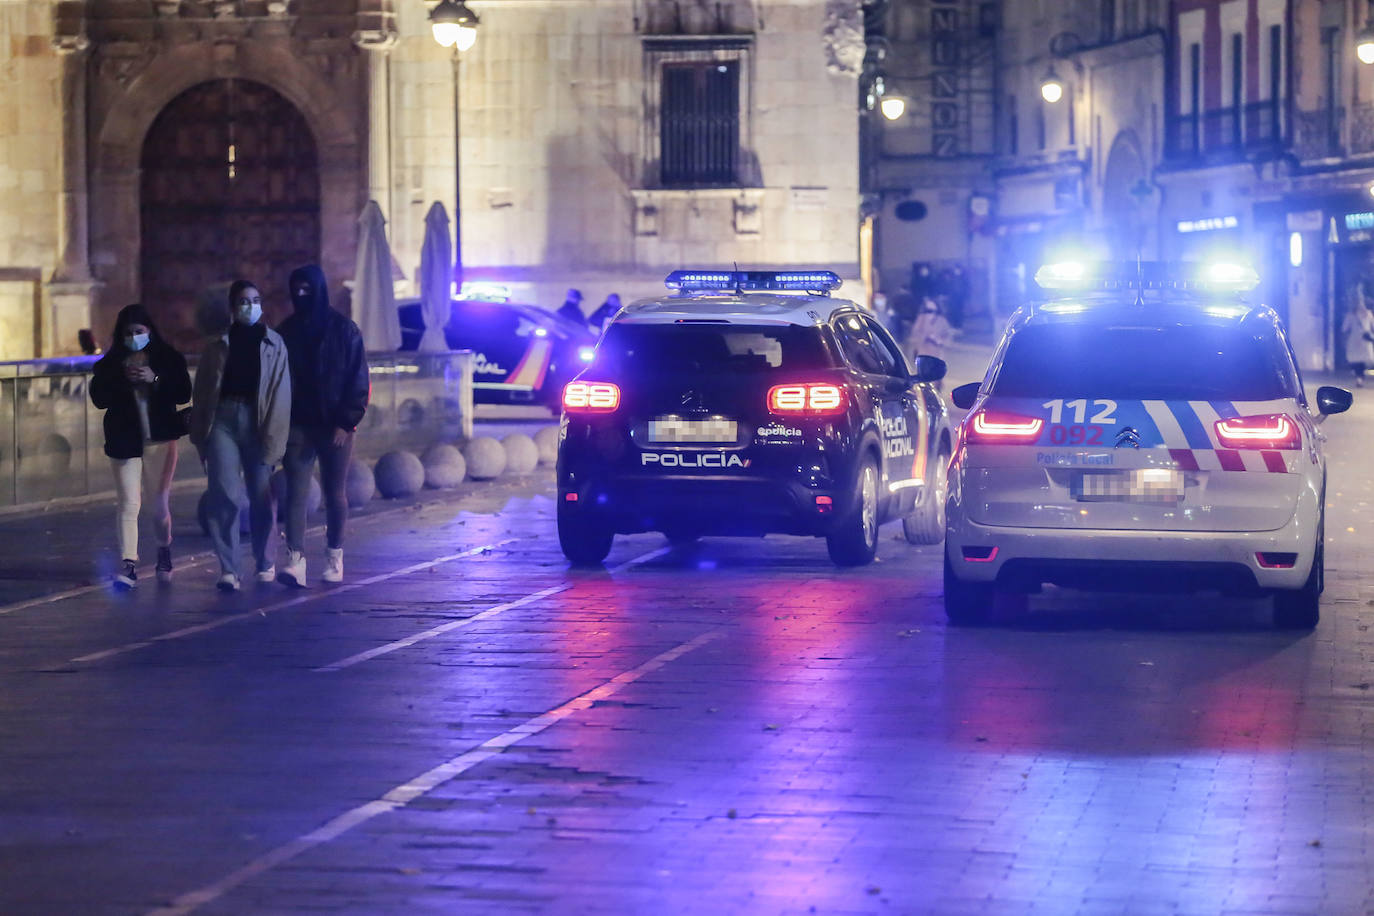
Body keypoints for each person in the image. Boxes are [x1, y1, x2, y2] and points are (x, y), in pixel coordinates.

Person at [188, 280, 292, 591]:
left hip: (259, 423)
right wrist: (200, 435)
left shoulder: (274, 344)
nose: (251, 306)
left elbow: (281, 394)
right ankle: (230, 569)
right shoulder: (218, 345)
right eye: (245, 301)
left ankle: (265, 562)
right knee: (224, 494)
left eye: (256, 300)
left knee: (261, 495)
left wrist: (275, 439)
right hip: (223, 421)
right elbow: (202, 391)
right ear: (233, 307)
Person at [276, 265, 369, 587]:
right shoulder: (286, 331)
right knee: (296, 493)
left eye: (307, 290)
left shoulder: (345, 331)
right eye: (296, 290)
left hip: (334, 425)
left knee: (334, 492)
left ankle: (334, 555)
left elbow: (358, 380)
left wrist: (346, 422)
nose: (301, 295)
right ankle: (295, 559)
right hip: (298, 425)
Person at [89, 304, 193, 590]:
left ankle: (163, 548)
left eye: (139, 331)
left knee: (158, 505)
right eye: (128, 333)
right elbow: (99, 398)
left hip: (160, 439)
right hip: (124, 440)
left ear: (150, 330)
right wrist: (123, 379)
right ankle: (129, 564)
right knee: (128, 503)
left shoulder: (168, 358)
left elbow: (183, 393)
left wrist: (155, 378)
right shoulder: (111, 364)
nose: (134, 337)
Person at [1343, 284, 1374, 387]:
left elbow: (1344, 328)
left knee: (1357, 361)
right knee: (1361, 361)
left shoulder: (1351, 315)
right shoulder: (1368, 314)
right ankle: (1360, 378)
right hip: (1364, 341)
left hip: (1355, 341)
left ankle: (1359, 378)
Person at [907, 296, 953, 366]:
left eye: (934, 311)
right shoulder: (921, 319)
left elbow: (948, 337)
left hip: (936, 354)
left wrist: (939, 340)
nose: (931, 314)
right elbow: (914, 334)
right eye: (928, 310)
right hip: (922, 352)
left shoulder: (942, 321)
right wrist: (924, 336)